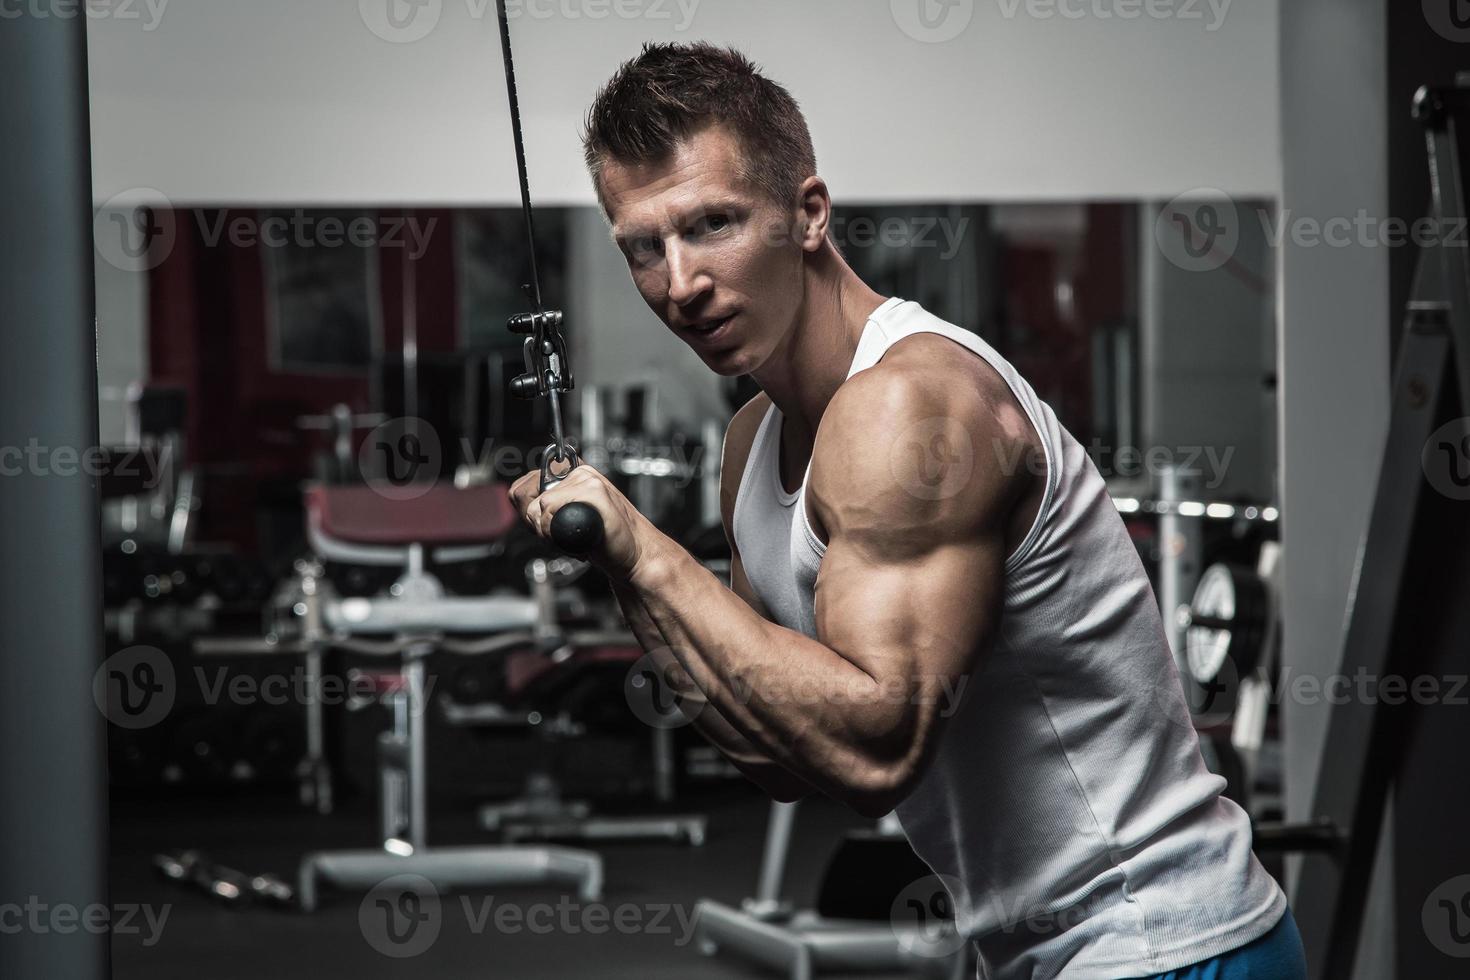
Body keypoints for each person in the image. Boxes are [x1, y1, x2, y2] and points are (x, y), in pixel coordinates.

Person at [510, 42, 1306, 980]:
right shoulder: (752, 443)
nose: (679, 283)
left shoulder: (911, 407)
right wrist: (622, 567)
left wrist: (645, 557)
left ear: (808, 214)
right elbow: (782, 759)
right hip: (1029, 947)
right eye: (645, 246)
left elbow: (875, 751)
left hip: (1161, 940)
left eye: (713, 224)